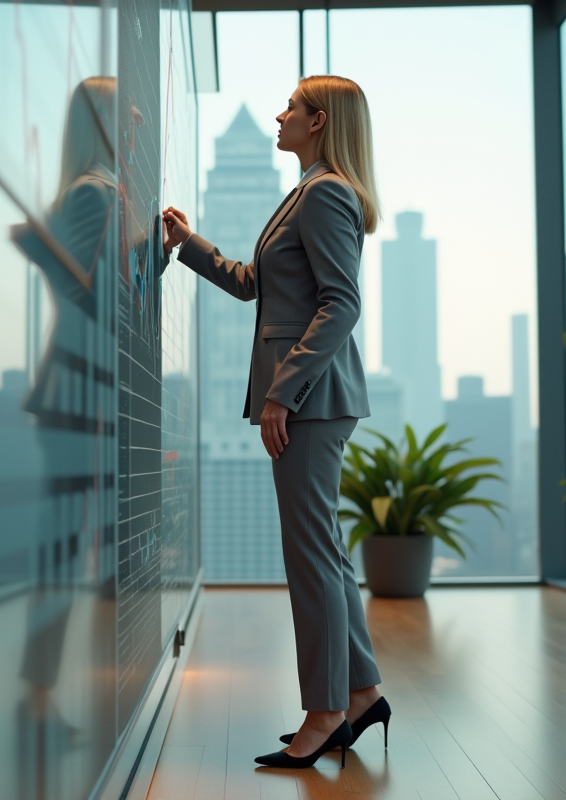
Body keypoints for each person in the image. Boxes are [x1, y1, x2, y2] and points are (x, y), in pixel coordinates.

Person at [161, 75, 391, 769]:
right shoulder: (308, 191)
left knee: (310, 556)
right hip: (315, 399)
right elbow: (253, 284)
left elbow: (341, 305)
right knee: (324, 551)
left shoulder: (325, 194)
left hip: (311, 402)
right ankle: (361, 693)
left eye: (291, 107)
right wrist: (189, 242)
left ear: (318, 122)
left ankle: (325, 712)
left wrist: (282, 394)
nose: (279, 114)